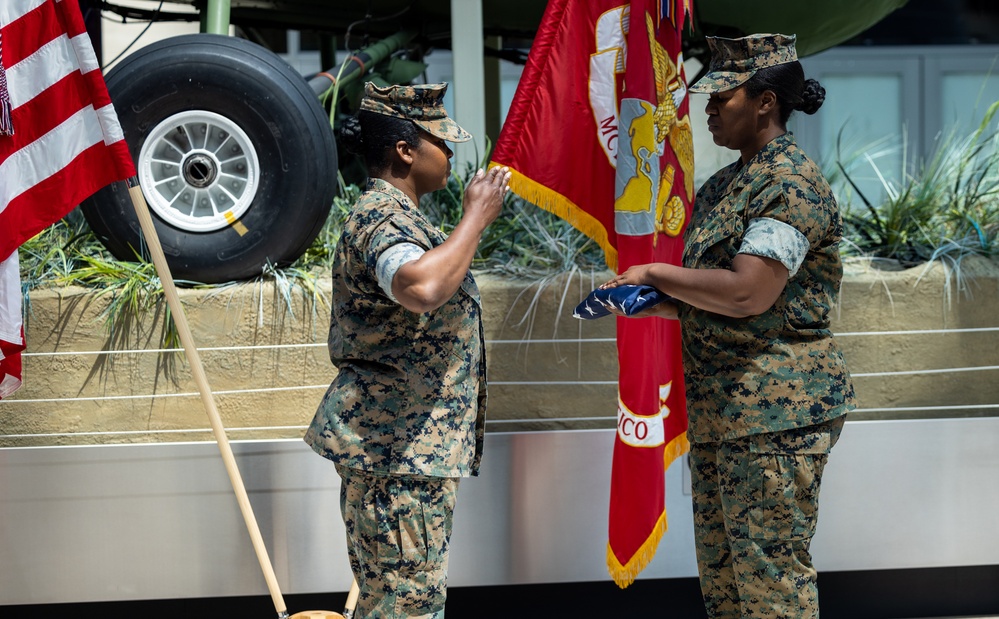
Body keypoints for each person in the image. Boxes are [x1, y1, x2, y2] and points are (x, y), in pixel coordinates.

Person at [601, 34, 856, 618]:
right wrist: (644, 300)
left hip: (776, 415)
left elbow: (747, 291)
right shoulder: (723, 188)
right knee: (726, 588)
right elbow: (712, 297)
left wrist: (658, 274)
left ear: (766, 103)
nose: (709, 109)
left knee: (769, 583)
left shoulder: (789, 184)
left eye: (724, 97)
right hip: (725, 414)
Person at [304, 81, 511, 618]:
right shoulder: (383, 218)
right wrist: (476, 219)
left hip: (407, 454)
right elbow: (419, 288)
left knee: (405, 603)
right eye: (440, 141)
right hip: (396, 455)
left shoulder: (404, 218)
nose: (450, 153)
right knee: (405, 607)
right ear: (405, 150)